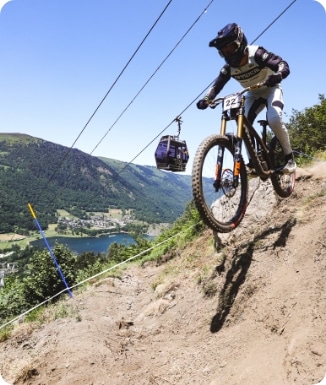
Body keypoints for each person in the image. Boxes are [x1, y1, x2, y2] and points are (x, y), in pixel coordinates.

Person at [197, 22, 296, 174]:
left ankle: (290, 159)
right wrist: (207, 99)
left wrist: (277, 76)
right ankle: (254, 162)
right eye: (223, 52)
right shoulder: (228, 68)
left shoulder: (256, 54)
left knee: (274, 119)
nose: (228, 54)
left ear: (240, 43)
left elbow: (283, 64)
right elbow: (216, 86)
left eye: (229, 48)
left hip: (271, 88)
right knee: (242, 126)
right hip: (252, 93)